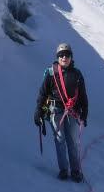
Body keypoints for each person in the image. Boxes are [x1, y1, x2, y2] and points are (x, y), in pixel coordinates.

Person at [34, 43, 89, 182]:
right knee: (60, 140)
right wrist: (38, 110)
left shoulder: (77, 74)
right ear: (57, 57)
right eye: (61, 55)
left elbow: (83, 95)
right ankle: (64, 170)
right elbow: (42, 93)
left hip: (73, 111)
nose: (64, 57)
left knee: (72, 142)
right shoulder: (51, 73)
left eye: (67, 54)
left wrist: (84, 113)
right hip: (56, 111)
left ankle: (75, 170)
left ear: (71, 57)